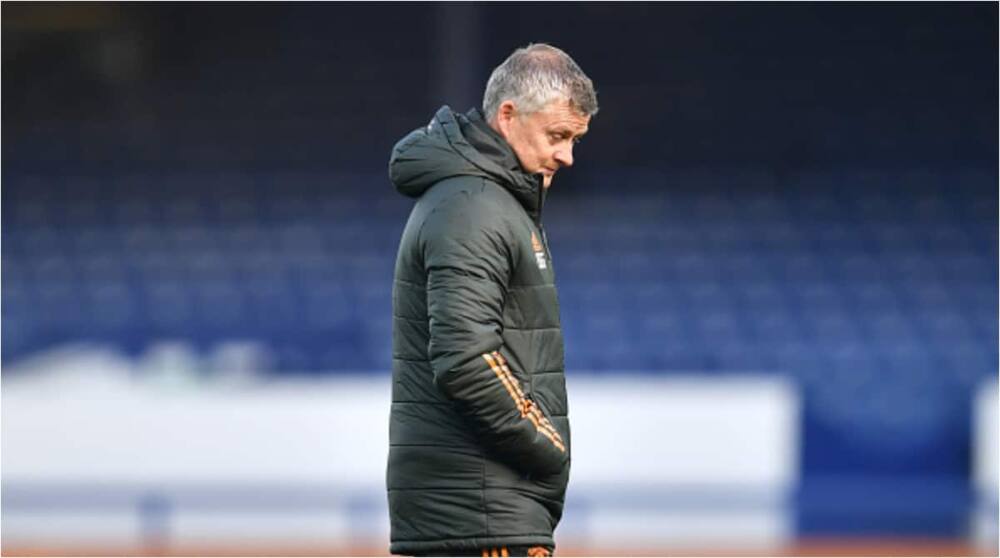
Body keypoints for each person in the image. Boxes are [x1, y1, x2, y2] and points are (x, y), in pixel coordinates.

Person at [386, 43, 598, 557]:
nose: (568, 155)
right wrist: (546, 446)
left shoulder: (488, 199)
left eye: (574, 139)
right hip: (481, 513)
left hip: (480, 509)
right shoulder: (473, 206)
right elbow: (466, 357)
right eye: (558, 136)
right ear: (508, 115)